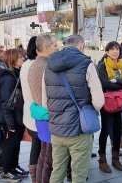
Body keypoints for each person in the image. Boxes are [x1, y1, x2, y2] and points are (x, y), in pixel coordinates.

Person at [43, 35, 105, 183]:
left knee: (57, 170)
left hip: (57, 129)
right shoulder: (86, 64)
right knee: (79, 174)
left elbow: (44, 102)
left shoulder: (49, 64)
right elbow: (99, 101)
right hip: (79, 129)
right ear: (82, 45)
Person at [28, 34, 58, 183]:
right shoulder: (46, 66)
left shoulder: (35, 64)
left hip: (42, 115)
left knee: (44, 155)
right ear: (46, 48)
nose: (57, 47)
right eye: (54, 45)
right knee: (49, 159)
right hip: (48, 116)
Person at [97, 41, 122, 173]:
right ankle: (102, 159)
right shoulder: (102, 65)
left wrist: (117, 82)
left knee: (117, 129)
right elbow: (105, 84)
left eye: (117, 49)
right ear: (107, 51)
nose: (115, 51)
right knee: (105, 130)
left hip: (120, 102)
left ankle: (115, 158)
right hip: (107, 102)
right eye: (112, 49)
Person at [0, 49, 27, 181]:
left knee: (16, 142)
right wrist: (10, 124)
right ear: (13, 60)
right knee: (10, 144)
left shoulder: (16, 73)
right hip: (10, 117)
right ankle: (7, 170)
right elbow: (6, 103)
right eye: (20, 57)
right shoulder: (8, 77)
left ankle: (14, 166)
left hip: (17, 115)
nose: (23, 59)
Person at [21, 36, 40, 182]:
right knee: (39, 145)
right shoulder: (35, 65)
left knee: (37, 144)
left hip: (30, 111)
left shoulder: (27, 63)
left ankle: (35, 174)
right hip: (37, 112)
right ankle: (36, 175)